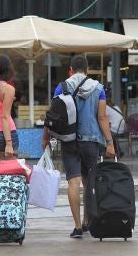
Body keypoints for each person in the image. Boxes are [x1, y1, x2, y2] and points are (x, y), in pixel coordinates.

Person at [42, 55, 115, 238]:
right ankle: (87, 222)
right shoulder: (99, 88)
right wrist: (110, 142)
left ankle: (77, 227)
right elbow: (102, 117)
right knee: (88, 182)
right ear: (87, 70)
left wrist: (45, 138)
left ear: (71, 70)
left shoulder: (62, 86)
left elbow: (53, 114)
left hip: (69, 140)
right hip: (91, 141)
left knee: (73, 182)